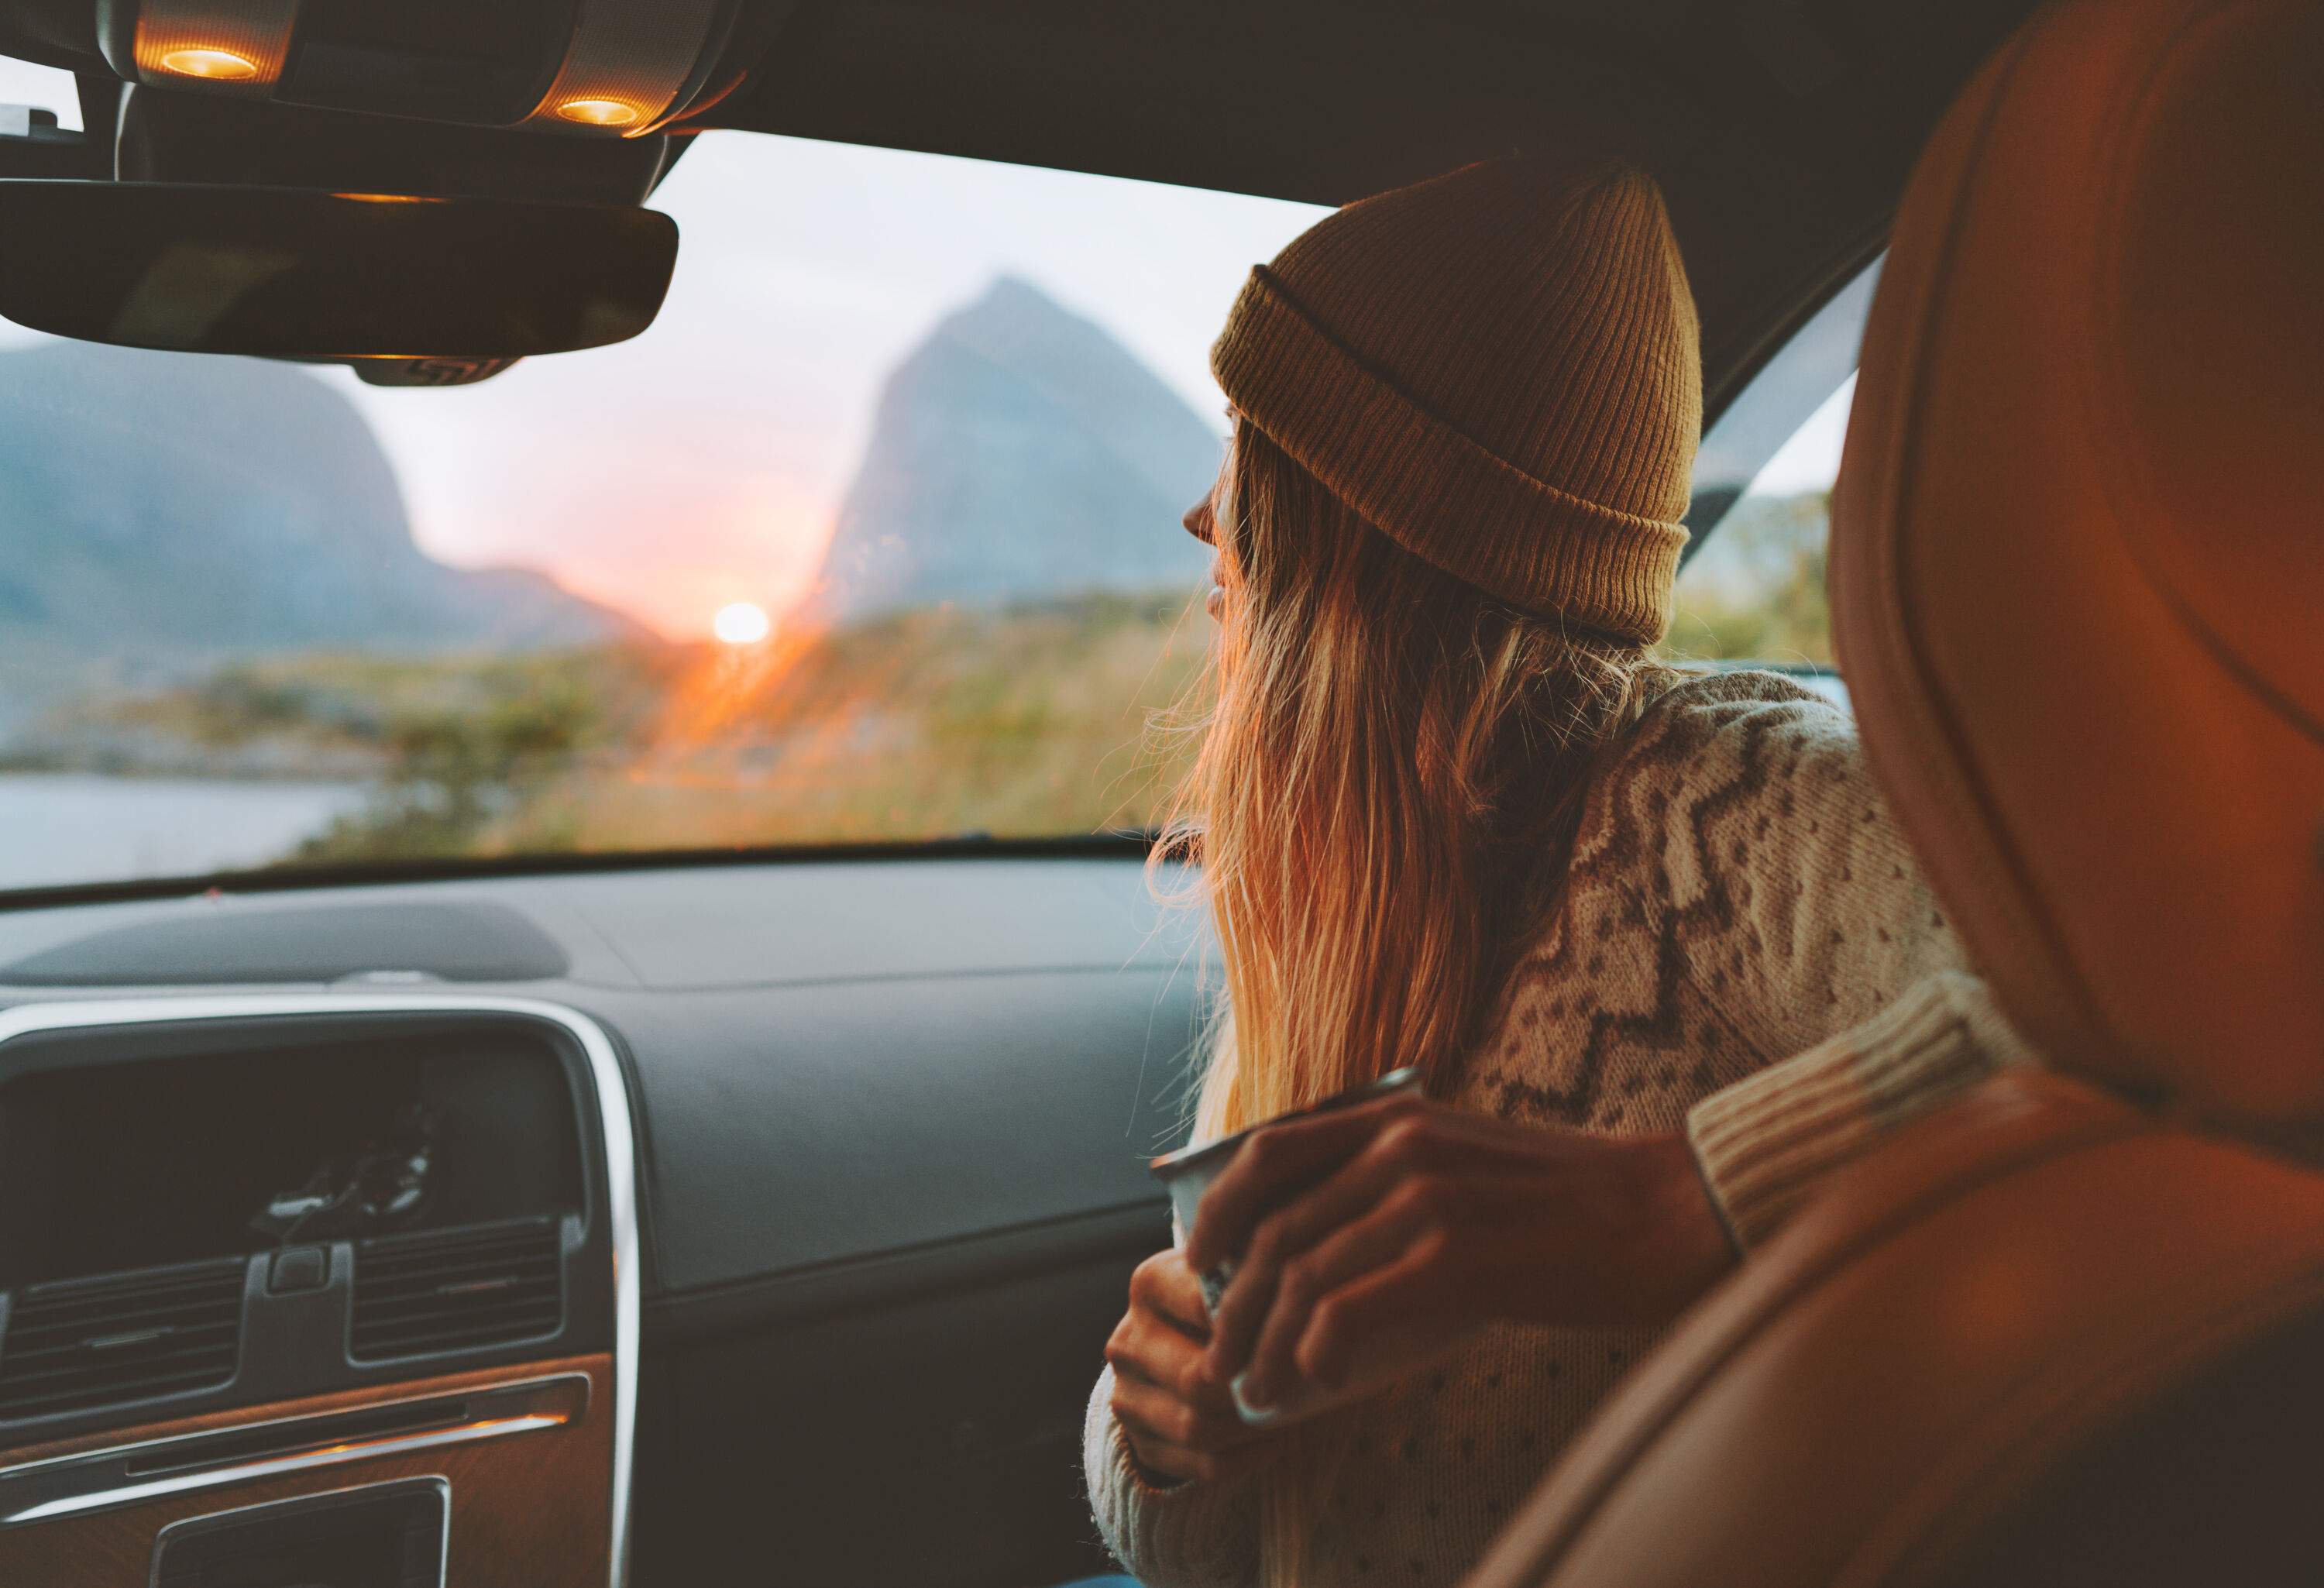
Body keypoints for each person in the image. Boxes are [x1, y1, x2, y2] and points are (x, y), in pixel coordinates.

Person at [1079, 156, 2033, 1588]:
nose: (1204, 518)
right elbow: (1220, 1547)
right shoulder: (1353, 889)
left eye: (1250, 447)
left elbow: (2119, 1000)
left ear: (1374, 516)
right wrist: (1157, 1434)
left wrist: (1667, 1204)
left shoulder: (1727, 802)